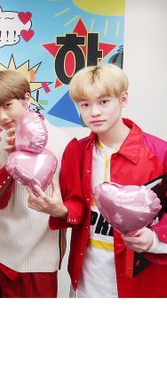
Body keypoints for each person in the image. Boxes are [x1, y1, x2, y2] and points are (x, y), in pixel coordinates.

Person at [27, 64, 167, 298]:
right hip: (86, 280)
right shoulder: (77, 151)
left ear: (123, 99)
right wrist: (61, 210)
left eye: (103, 102)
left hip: (141, 283)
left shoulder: (159, 153)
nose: (94, 112)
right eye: (85, 104)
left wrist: (154, 239)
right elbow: (77, 205)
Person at [0, 70, 72, 298]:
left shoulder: (64, 142)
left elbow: (76, 205)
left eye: (7, 105)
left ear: (26, 99)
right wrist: (11, 163)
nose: (1, 116)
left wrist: (61, 210)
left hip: (39, 262)